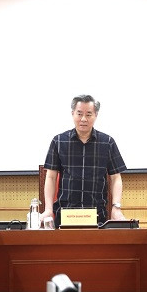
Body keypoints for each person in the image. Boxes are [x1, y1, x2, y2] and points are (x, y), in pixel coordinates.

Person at [41, 94, 127, 227]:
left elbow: (116, 178)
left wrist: (116, 208)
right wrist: (48, 209)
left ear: (96, 115)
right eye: (79, 114)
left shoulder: (107, 142)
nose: (83, 119)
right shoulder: (58, 141)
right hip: (65, 214)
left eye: (88, 114)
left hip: (97, 214)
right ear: (72, 114)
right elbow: (51, 177)